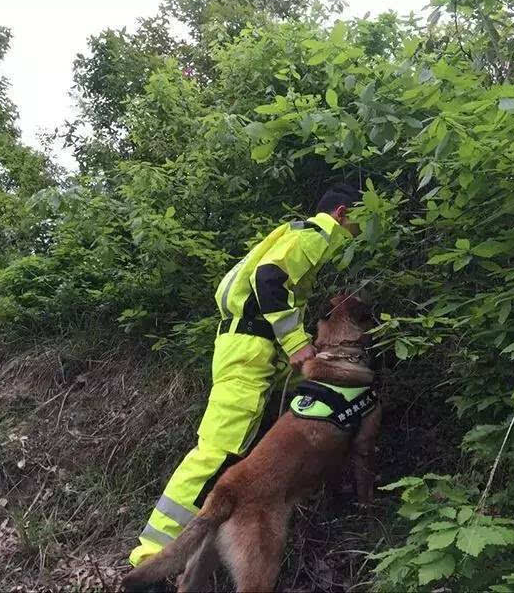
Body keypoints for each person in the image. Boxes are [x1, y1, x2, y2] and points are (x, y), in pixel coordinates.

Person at [129, 183, 363, 567]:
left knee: (230, 449)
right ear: (341, 213)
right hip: (248, 351)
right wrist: (296, 344)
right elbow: (269, 279)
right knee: (218, 451)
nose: (358, 231)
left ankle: (183, 558)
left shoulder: (297, 233)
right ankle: (149, 557)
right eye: (358, 219)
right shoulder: (318, 234)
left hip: (246, 349)